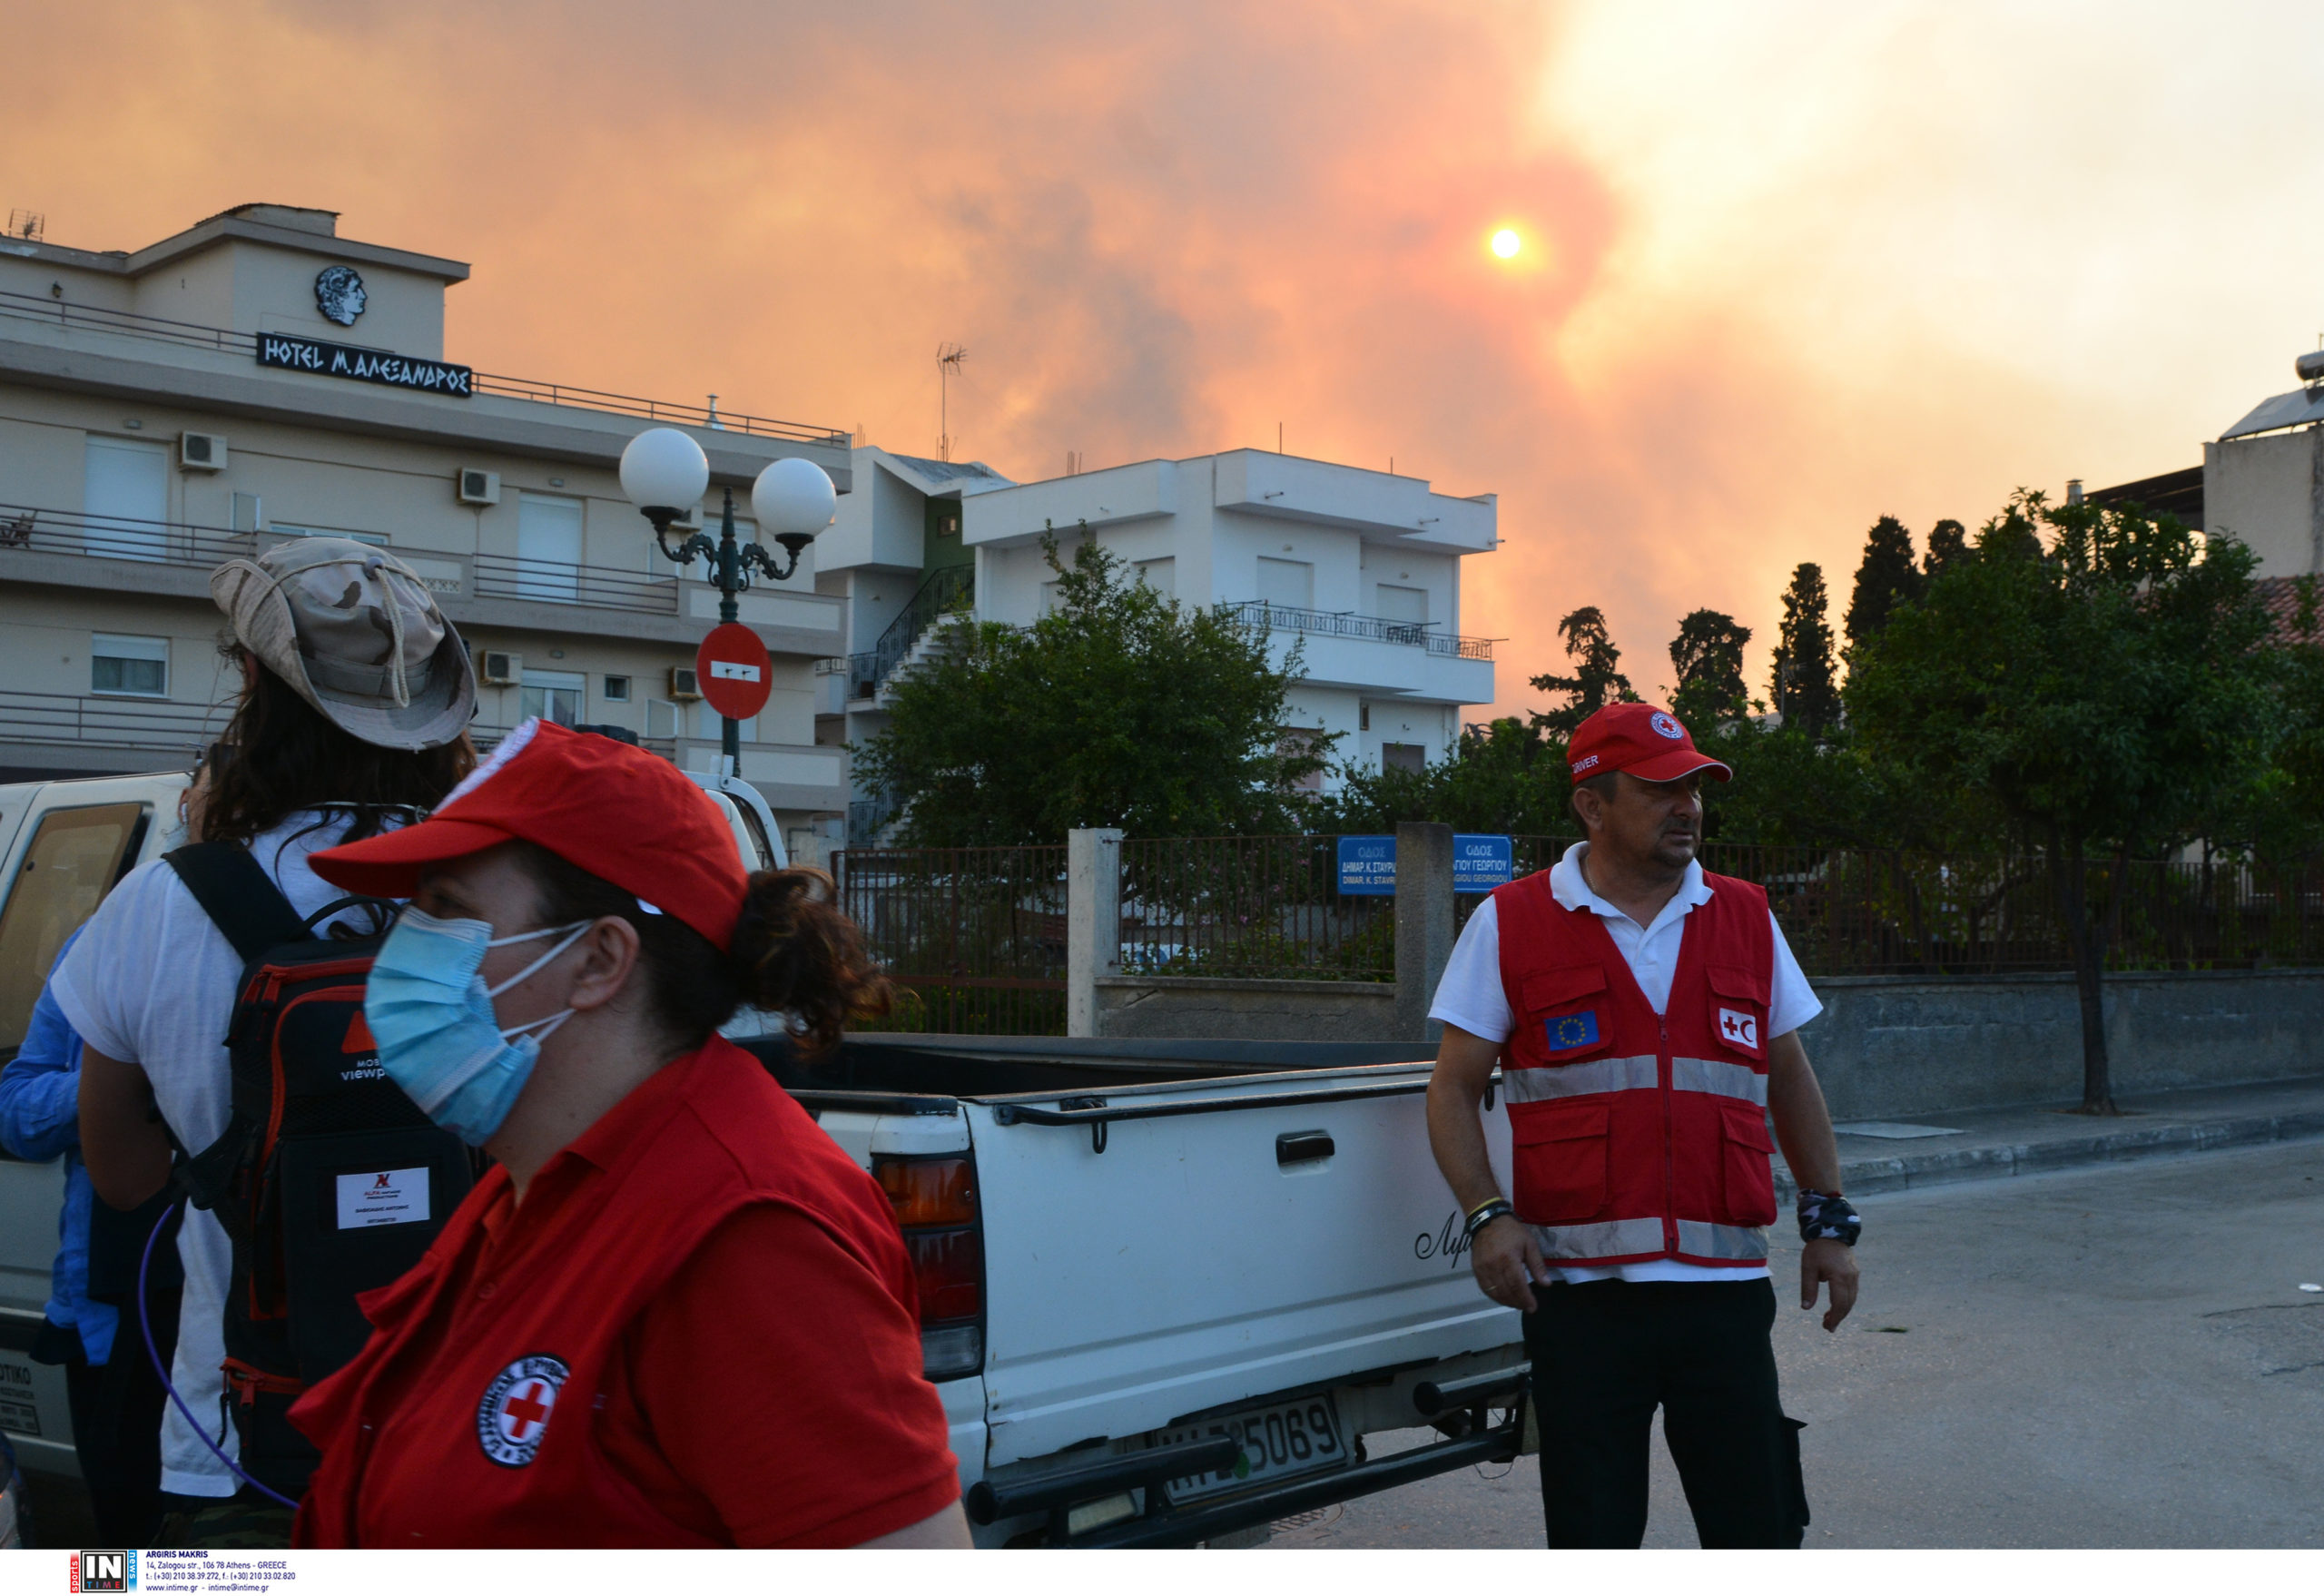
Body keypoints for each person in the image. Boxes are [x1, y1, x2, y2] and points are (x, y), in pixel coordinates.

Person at [284, 719, 970, 1547]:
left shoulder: (746, 1236)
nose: (402, 950)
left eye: (445, 910)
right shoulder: (531, 1182)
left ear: (599, 960)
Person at [60, 537, 478, 1546]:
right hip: (477, 1440)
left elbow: (120, 1178)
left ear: (252, 682)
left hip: (241, 1442)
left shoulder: (159, 905)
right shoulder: (513, 893)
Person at [1424, 701, 1862, 1550]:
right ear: (1593, 805)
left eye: (1695, 787)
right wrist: (1487, 1215)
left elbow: (1790, 1076)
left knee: (1758, 1531)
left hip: (1724, 1299)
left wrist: (1829, 1219)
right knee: (1594, 1536)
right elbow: (1452, 1089)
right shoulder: (1511, 922)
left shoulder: (1743, 914)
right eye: (1662, 790)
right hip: (1584, 1304)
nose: (1688, 807)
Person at [0, 928, 180, 1547]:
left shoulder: (352, 913)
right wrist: (111, 1085)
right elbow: (15, 1110)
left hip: (253, 1319)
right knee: (124, 1554)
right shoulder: (115, 932)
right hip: (109, 1313)